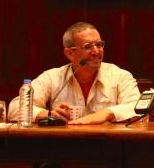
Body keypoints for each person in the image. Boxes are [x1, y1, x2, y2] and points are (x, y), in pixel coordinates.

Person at [8, 22, 140, 125]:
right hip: (64, 146)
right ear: (70, 53)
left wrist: (106, 114)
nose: (96, 52)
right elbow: (15, 108)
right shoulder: (52, 77)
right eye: (88, 47)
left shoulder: (119, 76)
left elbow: (138, 109)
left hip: (109, 146)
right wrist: (49, 115)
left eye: (99, 45)